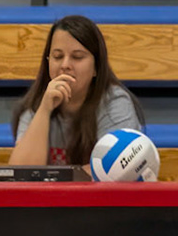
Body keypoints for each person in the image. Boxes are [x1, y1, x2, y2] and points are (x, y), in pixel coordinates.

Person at [8, 14, 143, 169]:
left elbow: (116, 170)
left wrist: (57, 177)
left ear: (96, 67)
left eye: (77, 57)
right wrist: (44, 110)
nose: (65, 65)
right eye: (58, 56)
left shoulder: (114, 103)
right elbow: (21, 174)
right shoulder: (37, 105)